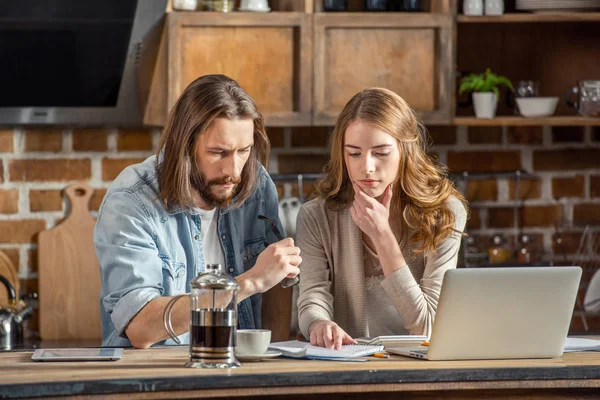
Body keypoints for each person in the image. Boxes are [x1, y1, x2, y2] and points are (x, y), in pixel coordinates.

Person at [94, 74, 301, 348]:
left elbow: (276, 284)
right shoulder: (131, 200)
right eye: (218, 153)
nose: (234, 171)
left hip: (240, 375)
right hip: (155, 380)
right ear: (185, 146)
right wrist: (247, 283)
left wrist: (271, 360)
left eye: (244, 151)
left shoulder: (257, 184)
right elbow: (141, 326)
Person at [296, 87, 468, 349]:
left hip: (419, 369)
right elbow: (312, 297)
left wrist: (382, 236)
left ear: (405, 151)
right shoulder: (316, 216)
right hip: (349, 365)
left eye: (381, 153)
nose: (366, 167)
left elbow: (429, 327)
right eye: (354, 153)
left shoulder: (445, 212)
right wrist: (318, 323)